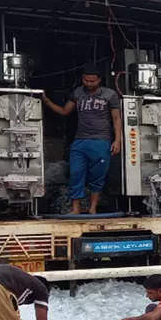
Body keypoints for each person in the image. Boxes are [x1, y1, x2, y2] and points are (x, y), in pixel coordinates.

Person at [42, 63, 123, 215]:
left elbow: (116, 118)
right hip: (80, 141)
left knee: (97, 176)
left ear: (99, 80)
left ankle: (92, 208)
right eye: (86, 80)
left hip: (101, 141)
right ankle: (76, 209)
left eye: (92, 81)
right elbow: (65, 111)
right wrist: (47, 101)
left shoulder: (110, 94)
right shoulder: (78, 92)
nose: (89, 84)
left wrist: (117, 140)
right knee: (76, 173)